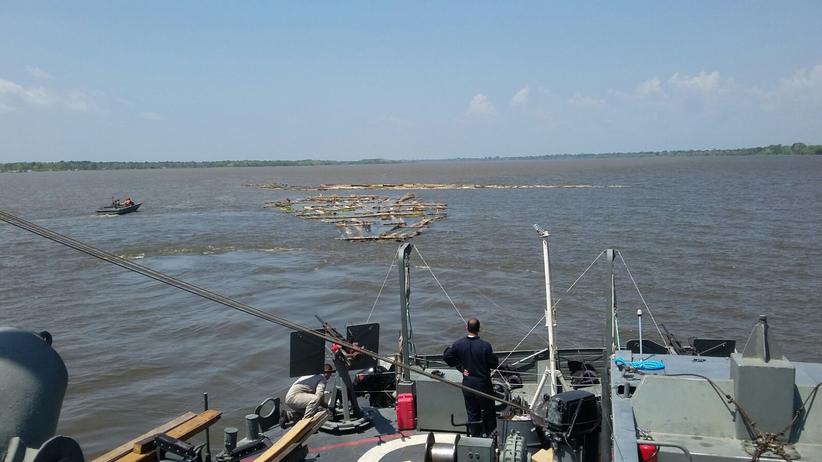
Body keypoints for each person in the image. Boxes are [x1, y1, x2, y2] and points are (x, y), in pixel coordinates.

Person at [443, 318, 499, 437]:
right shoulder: (485, 346)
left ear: (467, 328)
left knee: (473, 413)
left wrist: (461, 368)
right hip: (483, 385)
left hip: (468, 384)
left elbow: (447, 356)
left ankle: (475, 437)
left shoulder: (459, 344)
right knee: (489, 412)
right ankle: (491, 437)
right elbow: (494, 364)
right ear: (479, 329)